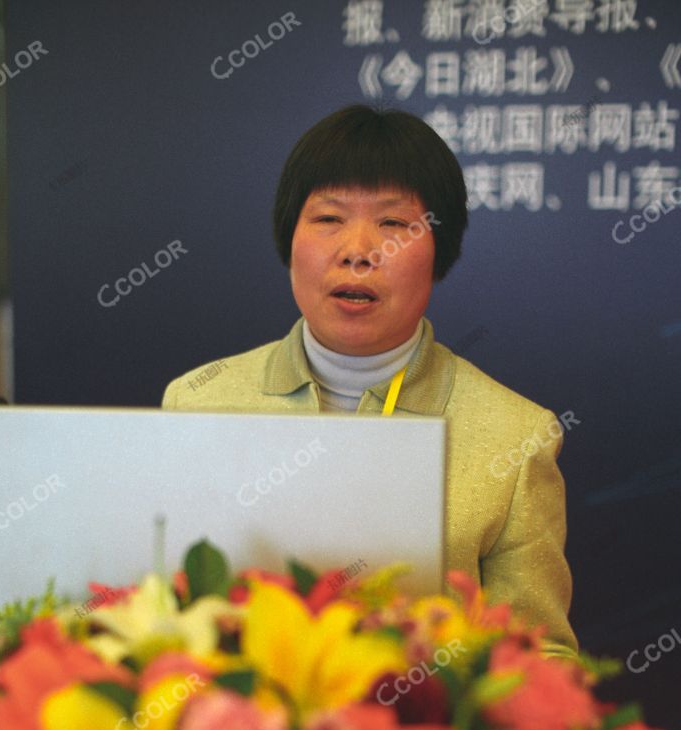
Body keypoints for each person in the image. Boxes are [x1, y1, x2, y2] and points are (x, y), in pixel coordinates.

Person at [162, 105, 578, 659]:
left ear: (440, 251)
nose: (359, 250)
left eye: (394, 223)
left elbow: (538, 656)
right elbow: (160, 615)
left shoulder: (515, 435)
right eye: (329, 218)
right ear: (289, 241)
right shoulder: (196, 403)